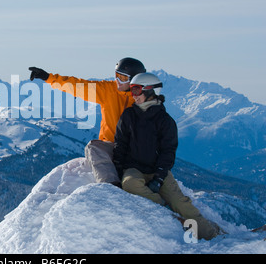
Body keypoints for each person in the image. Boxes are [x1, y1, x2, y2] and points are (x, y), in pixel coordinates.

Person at [113, 72, 221, 240]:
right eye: (132, 90)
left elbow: (168, 151)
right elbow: (120, 144)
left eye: (136, 90)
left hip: (158, 170)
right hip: (134, 168)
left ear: (150, 90)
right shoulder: (129, 116)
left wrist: (159, 178)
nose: (132, 95)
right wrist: (119, 170)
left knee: (182, 204)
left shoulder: (165, 121)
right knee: (130, 184)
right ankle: (164, 210)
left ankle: (213, 236)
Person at [29, 57, 146, 186]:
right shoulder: (108, 90)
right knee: (93, 147)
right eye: (116, 75)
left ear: (135, 80)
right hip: (111, 146)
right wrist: (49, 78)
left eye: (123, 78)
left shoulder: (144, 98)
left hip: (133, 150)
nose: (117, 81)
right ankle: (111, 185)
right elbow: (79, 86)